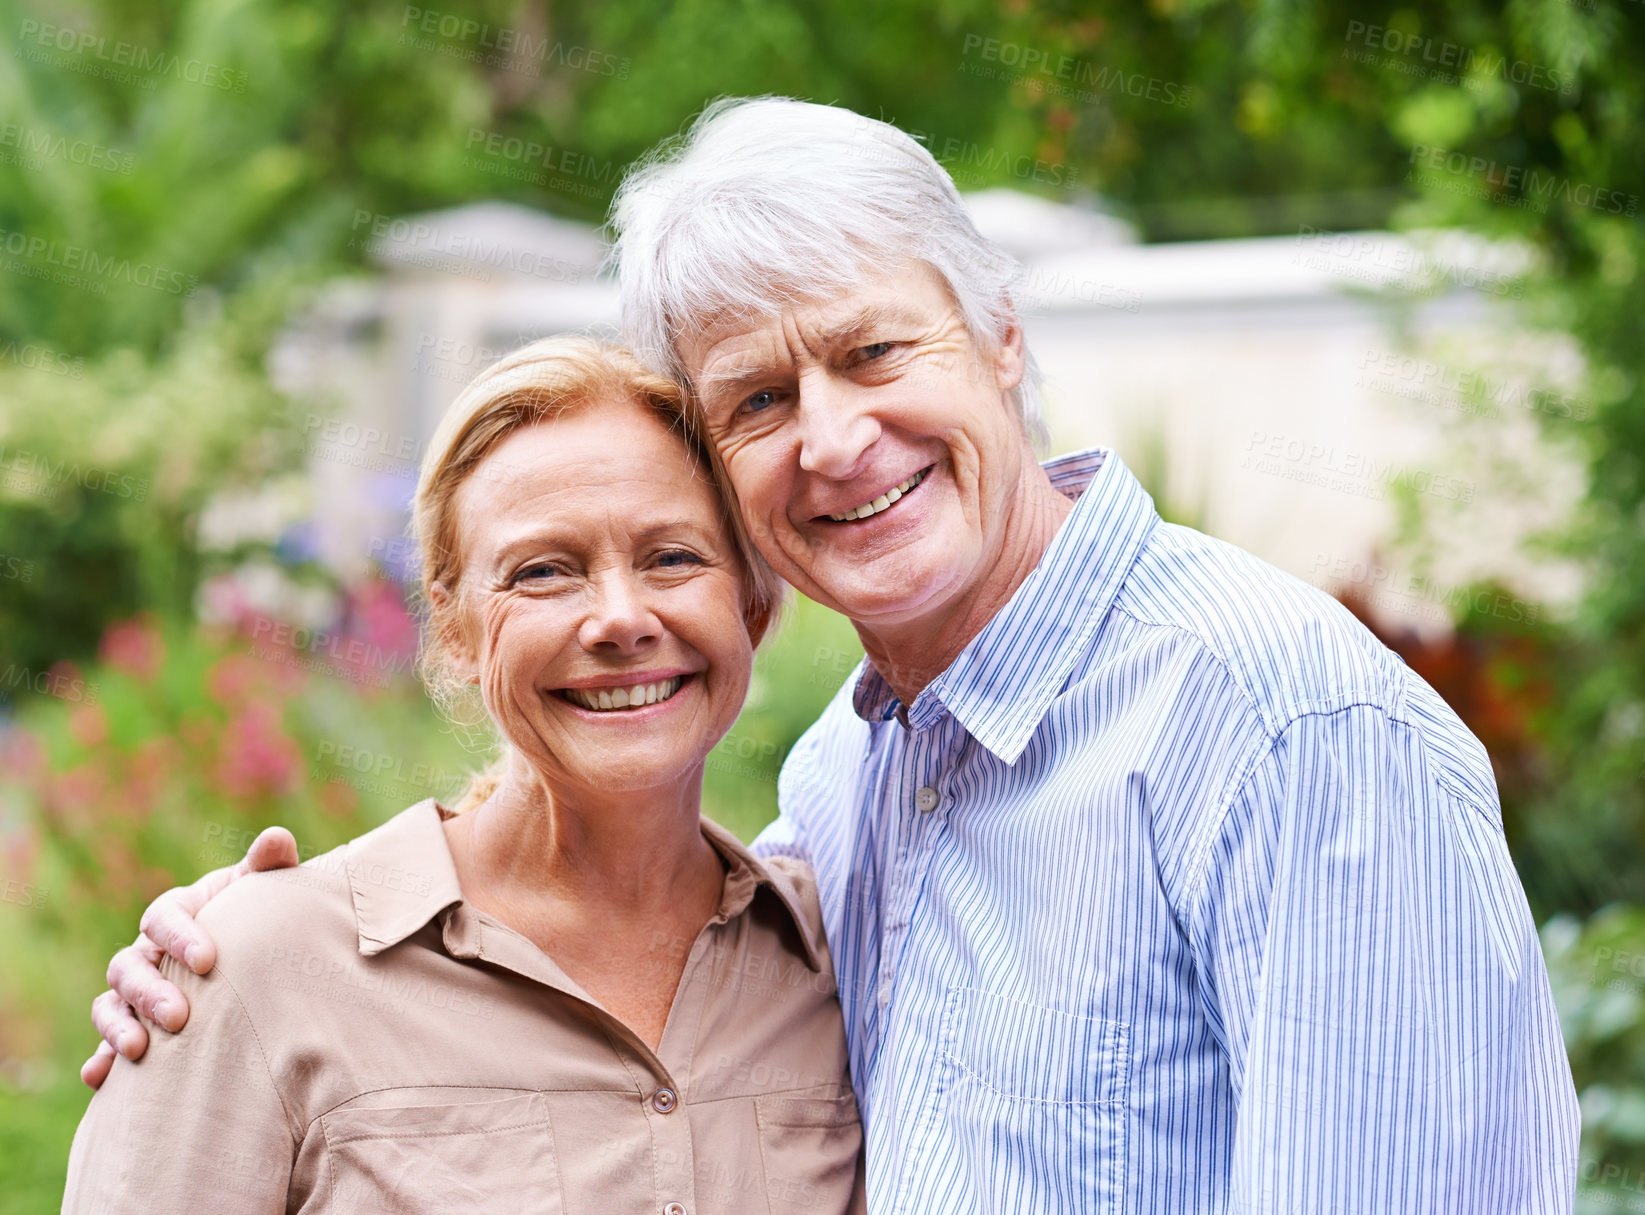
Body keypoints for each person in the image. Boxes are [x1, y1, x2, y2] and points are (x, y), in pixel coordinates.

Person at [88, 98, 1579, 1212]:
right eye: (755, 398)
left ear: (996, 334)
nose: (835, 437)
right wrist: (231, 959)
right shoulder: (847, 791)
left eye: (874, 352)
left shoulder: (1283, 730)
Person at [65, 337, 866, 1215]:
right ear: (453, 630)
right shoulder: (256, 968)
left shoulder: (844, 958)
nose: (620, 618)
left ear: (752, 602)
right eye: (542, 571)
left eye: (672, 557)